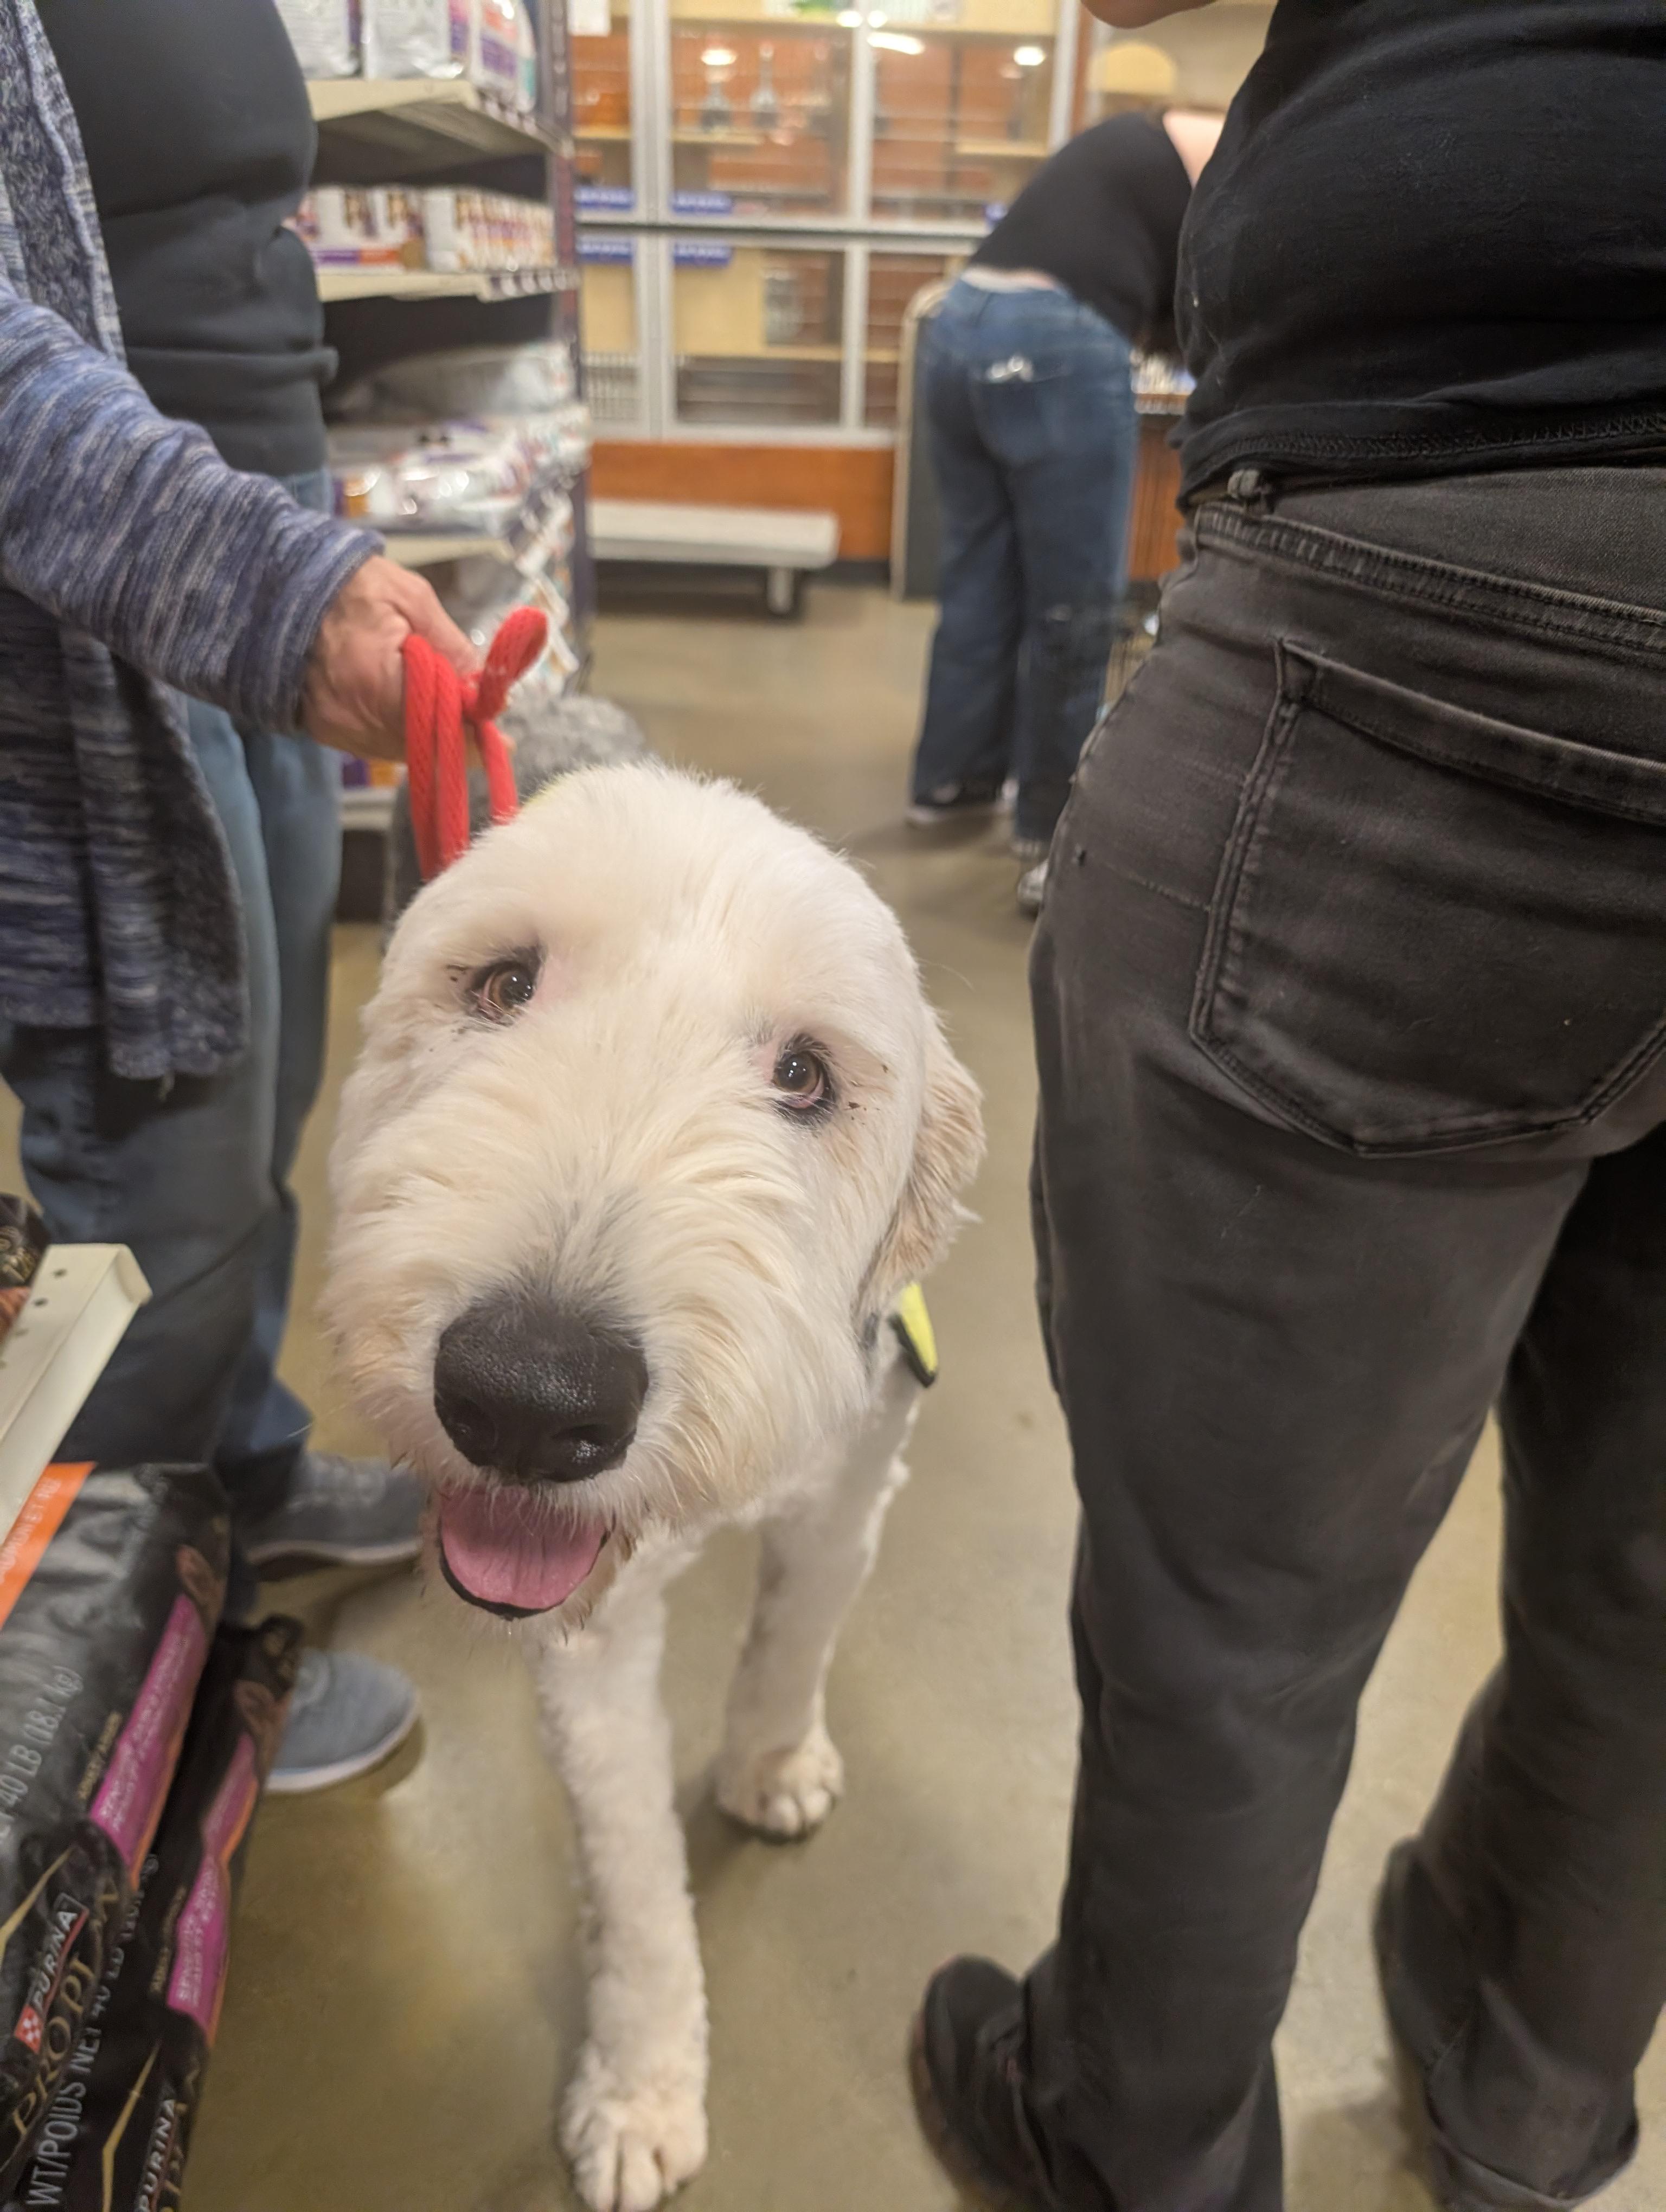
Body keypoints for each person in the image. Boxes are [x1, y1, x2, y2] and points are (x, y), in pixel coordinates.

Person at [910, 5, 1666, 2211]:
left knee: (1235, 1610)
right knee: (1655, 1565)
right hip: (1459, 582)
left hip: (1437, 590)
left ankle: (1129, 2139)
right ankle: (1529, 2095)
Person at [1, 0, 476, 1787]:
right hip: (103, 594)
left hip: (248, 524)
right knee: (164, 1190)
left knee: (268, 1094)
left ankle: (244, 1472)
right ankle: (122, 1703)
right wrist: (264, 585)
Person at [905, 105, 1219, 915]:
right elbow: (1207, 310)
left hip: (958, 321)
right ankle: (1052, 836)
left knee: (980, 577)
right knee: (1074, 608)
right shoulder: (1227, 147)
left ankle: (953, 781)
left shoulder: (1134, 146)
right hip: (1054, 341)